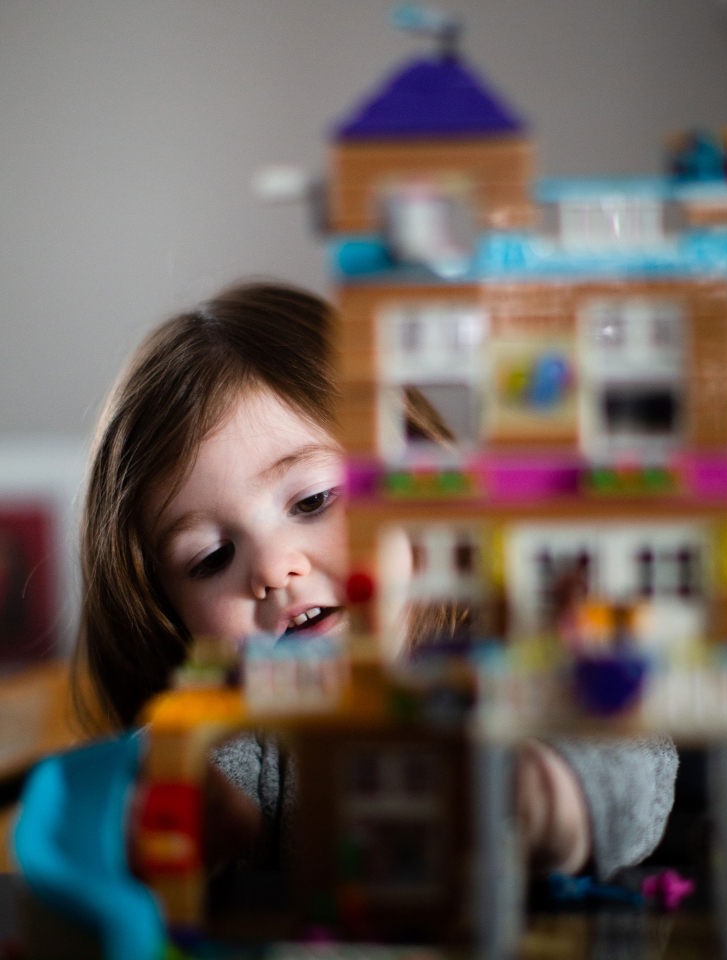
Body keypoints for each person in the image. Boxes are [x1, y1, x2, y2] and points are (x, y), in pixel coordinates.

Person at [75, 280, 677, 882]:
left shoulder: (508, 663)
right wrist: (172, 810)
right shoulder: (244, 737)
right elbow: (178, 777)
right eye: (210, 558)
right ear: (165, 609)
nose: (271, 569)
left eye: (314, 501)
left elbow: (625, 755)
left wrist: (541, 794)